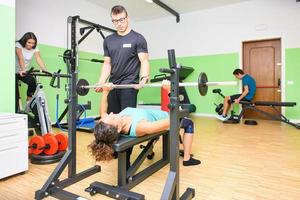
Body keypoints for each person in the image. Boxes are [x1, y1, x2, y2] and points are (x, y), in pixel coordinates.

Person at [89, 82, 201, 166]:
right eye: (112, 116)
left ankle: (150, 152)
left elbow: (103, 112)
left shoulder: (110, 123)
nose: (112, 113)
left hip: (155, 119)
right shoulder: (141, 126)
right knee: (189, 123)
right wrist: (169, 91)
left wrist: (105, 91)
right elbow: (174, 118)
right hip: (167, 119)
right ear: (118, 129)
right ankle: (187, 159)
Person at [95, 5, 150, 167]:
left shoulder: (138, 38)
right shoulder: (108, 40)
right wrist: (101, 81)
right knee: (111, 123)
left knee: (126, 122)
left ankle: (126, 160)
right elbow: (107, 64)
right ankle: (115, 151)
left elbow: (144, 61)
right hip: (112, 86)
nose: (119, 23)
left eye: (122, 19)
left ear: (127, 18)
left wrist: (144, 79)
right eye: (115, 21)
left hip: (128, 86)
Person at [15, 32, 47, 112]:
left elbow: (38, 58)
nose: (31, 45)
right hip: (14, 71)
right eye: (29, 42)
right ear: (24, 41)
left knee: (32, 81)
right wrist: (22, 70)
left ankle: (28, 103)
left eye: (33, 43)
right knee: (15, 94)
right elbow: (20, 58)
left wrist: (45, 70)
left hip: (24, 71)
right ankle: (15, 112)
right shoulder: (18, 45)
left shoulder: (35, 48)